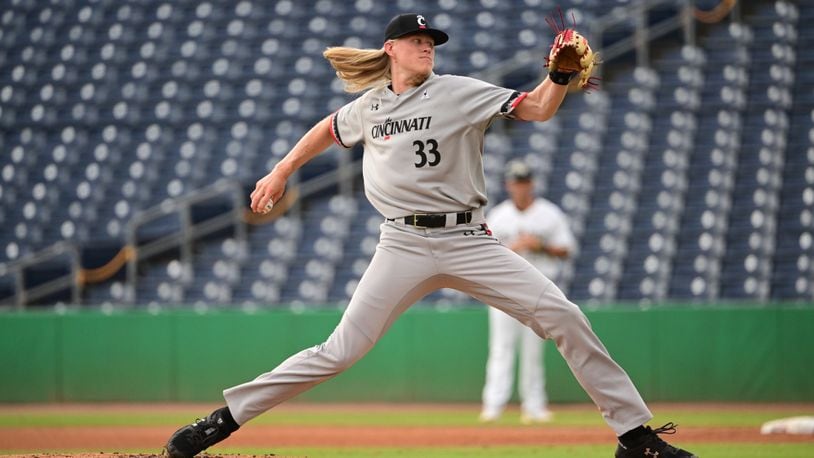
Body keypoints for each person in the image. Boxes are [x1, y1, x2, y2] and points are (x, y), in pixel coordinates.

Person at [164, 13, 697, 458]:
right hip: (402, 244)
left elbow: (536, 109)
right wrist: (280, 171)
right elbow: (328, 128)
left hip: (470, 239)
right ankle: (224, 419)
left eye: (432, 42)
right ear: (391, 48)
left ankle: (634, 436)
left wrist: (557, 78)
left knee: (564, 316)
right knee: (339, 351)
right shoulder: (370, 106)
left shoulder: (459, 92)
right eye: (417, 41)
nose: (427, 48)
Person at [479, 159, 575, 425]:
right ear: (508, 185)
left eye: (523, 181)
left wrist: (539, 245)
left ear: (530, 183)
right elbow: (483, 254)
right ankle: (493, 406)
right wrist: (514, 248)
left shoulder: (549, 213)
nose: (519, 187)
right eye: (515, 182)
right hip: (503, 291)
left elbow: (566, 249)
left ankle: (534, 406)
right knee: (501, 348)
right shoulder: (498, 215)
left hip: (539, 290)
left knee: (533, 350)